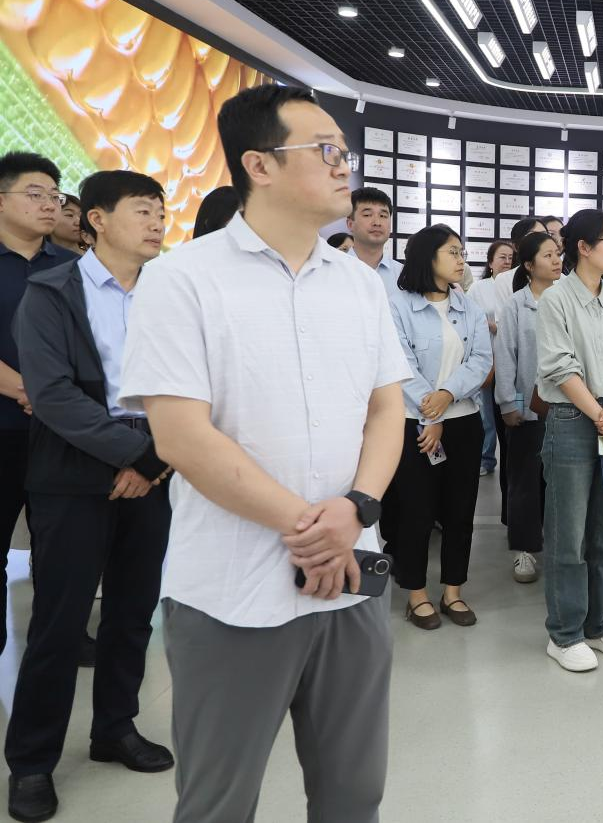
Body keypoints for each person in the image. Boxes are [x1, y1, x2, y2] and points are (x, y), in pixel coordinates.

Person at [119, 85, 409, 821]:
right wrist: (314, 527)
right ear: (260, 165)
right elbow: (181, 436)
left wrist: (356, 510)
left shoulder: (359, 284)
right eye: (327, 150)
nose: (345, 165)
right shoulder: (182, 279)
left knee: (353, 793)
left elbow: (386, 409)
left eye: (345, 151)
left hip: (352, 579)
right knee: (219, 802)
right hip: (232, 591)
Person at [5, 171, 173, 823]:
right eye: (142, 210)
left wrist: (155, 458)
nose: (157, 222)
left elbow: (195, 381)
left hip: (153, 465)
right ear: (97, 219)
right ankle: (32, 761)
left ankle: (115, 728)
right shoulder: (51, 291)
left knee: (133, 612)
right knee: (59, 619)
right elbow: (51, 395)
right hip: (74, 472)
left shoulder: (170, 292)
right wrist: (135, 454)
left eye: (161, 211)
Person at [535, 209, 603, 672]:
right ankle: (564, 633)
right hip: (572, 420)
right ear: (583, 247)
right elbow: (560, 368)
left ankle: (599, 622)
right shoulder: (555, 299)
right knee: (569, 534)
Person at [384, 225, 492, 630]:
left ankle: (453, 591)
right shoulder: (398, 305)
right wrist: (432, 414)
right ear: (428, 257)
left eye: (462, 252)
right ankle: (416, 594)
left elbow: (481, 360)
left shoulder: (469, 307)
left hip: (463, 421)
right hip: (415, 425)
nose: (462, 260)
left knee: (460, 510)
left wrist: (447, 396)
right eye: (453, 252)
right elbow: (400, 365)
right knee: (416, 510)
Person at [0, 152, 78, 666]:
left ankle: (54, 657)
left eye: (54, 195)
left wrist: (52, 396)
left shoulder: (72, 268)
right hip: (5, 428)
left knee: (61, 555)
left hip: (61, 434)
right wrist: (30, 391)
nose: (50, 204)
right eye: (35, 194)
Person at [495, 231, 562, 585]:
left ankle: (561, 546)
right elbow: (506, 355)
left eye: (557, 253)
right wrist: (511, 403)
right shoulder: (516, 304)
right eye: (548, 255)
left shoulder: (569, 297)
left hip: (567, 407)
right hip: (529, 407)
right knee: (524, 481)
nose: (556, 260)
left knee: (562, 482)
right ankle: (525, 549)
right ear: (529, 265)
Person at [468, 238, 516, 476]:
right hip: (486, 357)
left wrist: (499, 327)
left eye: (510, 258)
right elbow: (471, 319)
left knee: (513, 409)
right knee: (486, 412)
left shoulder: (517, 284)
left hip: (512, 358)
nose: (507, 262)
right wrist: (493, 326)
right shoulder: (479, 288)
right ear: (490, 262)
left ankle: (510, 455)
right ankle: (487, 458)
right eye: (502, 257)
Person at [345, 185, 402, 292]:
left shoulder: (403, 276)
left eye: (383, 216)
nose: (377, 223)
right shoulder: (331, 271)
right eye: (367, 215)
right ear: (350, 224)